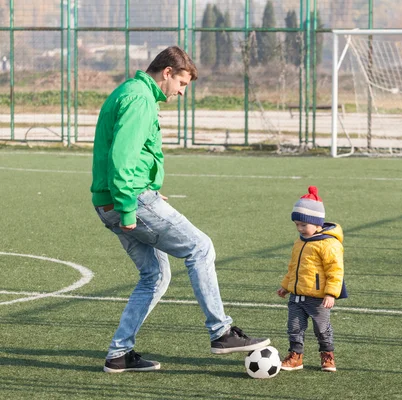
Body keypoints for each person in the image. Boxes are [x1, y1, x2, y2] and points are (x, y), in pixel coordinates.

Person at [91, 46, 269, 373]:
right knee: (200, 247)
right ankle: (221, 332)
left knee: (155, 276)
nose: (182, 92)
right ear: (167, 73)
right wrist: (134, 206)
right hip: (126, 201)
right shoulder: (140, 100)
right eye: (182, 84)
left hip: (114, 201)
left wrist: (149, 192)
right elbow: (122, 159)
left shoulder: (131, 92)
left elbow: (129, 157)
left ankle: (119, 354)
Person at [276, 186, 346, 372]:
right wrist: (286, 286)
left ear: (317, 225)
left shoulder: (328, 244)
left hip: (318, 299)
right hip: (297, 297)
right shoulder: (300, 241)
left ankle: (327, 356)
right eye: (297, 225)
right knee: (294, 328)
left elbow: (335, 270)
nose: (299, 228)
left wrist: (331, 293)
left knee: (321, 329)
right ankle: (295, 357)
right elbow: (294, 267)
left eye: (303, 225)